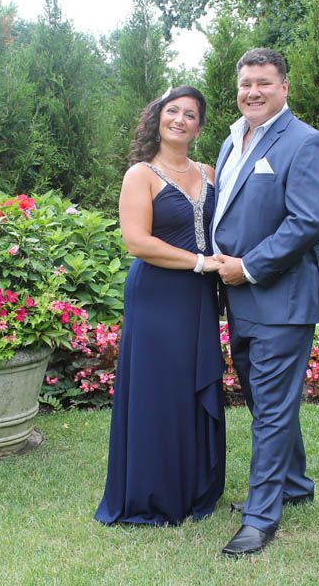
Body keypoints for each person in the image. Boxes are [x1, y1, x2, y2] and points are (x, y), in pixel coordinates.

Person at [212, 48, 319, 555]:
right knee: (269, 401)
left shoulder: (306, 142)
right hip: (239, 299)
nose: (253, 92)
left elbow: (308, 222)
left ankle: (261, 518)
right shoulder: (232, 139)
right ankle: (296, 485)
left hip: (280, 301)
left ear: (284, 86)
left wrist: (249, 266)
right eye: (246, 83)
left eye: (264, 82)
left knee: (272, 408)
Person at [94, 86, 226, 526]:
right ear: (158, 118)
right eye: (173, 111)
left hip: (199, 295)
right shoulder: (141, 175)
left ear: (199, 126)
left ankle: (194, 488)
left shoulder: (209, 171)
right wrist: (201, 262)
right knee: (159, 391)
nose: (181, 119)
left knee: (194, 384)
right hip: (156, 296)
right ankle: (153, 493)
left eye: (191, 114)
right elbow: (138, 242)